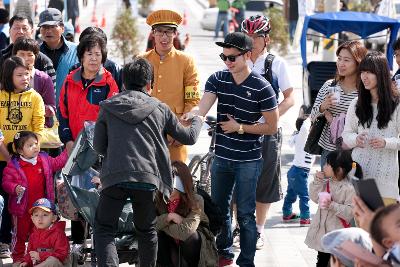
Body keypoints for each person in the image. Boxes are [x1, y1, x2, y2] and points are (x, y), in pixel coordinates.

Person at [93, 57, 203, 267]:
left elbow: (98, 146)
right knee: (146, 230)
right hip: (147, 178)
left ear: (123, 83)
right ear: (149, 84)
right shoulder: (160, 108)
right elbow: (189, 137)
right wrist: (198, 119)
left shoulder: (107, 107)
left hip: (114, 176)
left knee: (105, 228)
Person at [182, 32, 279, 267]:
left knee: (245, 215)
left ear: (247, 55)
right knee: (219, 208)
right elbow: (203, 107)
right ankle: (224, 253)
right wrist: (191, 116)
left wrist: (241, 127)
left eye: (232, 57)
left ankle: (246, 262)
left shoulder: (262, 87)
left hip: (248, 160)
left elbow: (272, 127)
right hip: (222, 157)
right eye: (224, 57)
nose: (227, 62)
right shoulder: (218, 79)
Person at [240, 14, 296, 248]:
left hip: (266, 133)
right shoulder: (236, 60)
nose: (252, 41)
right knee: (237, 182)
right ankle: (240, 228)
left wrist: (270, 119)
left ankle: (259, 230)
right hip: (239, 131)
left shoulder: (276, 64)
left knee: (264, 183)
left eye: (257, 36)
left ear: (266, 39)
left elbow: (290, 98)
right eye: (248, 36)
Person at [58, 34, 118, 248]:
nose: (93, 58)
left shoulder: (109, 83)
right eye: (89, 54)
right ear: (81, 56)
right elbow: (62, 113)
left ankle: (99, 242)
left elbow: (113, 118)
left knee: (98, 194)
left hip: (101, 150)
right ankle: (78, 242)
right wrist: (67, 140)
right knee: (77, 194)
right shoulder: (70, 80)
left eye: (98, 54)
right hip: (76, 147)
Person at [141, 9, 200, 162]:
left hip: (175, 135)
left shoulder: (186, 61)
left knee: (176, 182)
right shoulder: (142, 60)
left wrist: (182, 130)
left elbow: (192, 99)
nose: (164, 37)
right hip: (146, 134)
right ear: (153, 33)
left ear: (175, 34)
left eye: (168, 32)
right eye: (159, 32)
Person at [0, 56, 45, 258]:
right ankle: (3, 241)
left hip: (25, 162)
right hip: (3, 160)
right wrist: (9, 158)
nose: (25, 77)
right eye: (19, 74)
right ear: (9, 76)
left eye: (27, 73)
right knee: (3, 202)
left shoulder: (35, 98)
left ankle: (23, 244)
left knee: (22, 203)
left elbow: (38, 129)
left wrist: (30, 153)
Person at [342, 51, 400, 205]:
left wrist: (386, 142)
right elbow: (346, 134)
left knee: (382, 229)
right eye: (362, 72)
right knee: (360, 228)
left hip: (385, 183)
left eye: (370, 72)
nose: (364, 76)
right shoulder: (356, 103)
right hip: (358, 179)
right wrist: (356, 139)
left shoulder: (397, 104)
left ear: (380, 74)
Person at [1, 131, 67, 264]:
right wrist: (14, 188)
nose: (35, 147)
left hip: (41, 209)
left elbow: (58, 162)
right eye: (30, 145)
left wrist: (68, 151)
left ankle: (34, 259)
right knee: (19, 236)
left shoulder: (45, 159)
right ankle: (18, 259)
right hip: (22, 210)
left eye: (36, 143)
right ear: (20, 150)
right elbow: (5, 182)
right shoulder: (14, 165)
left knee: (38, 235)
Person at [311, 40, 368, 168]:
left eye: (346, 60)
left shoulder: (365, 90)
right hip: (330, 151)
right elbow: (312, 116)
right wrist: (323, 106)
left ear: (358, 63)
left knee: (354, 188)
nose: (341, 64)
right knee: (328, 187)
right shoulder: (329, 85)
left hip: (356, 150)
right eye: (339, 59)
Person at [305, 150, 362, 267]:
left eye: (327, 164)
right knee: (321, 260)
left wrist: (332, 205)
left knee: (335, 263)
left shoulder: (349, 188)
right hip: (323, 233)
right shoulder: (326, 183)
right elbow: (315, 197)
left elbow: (350, 212)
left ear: (339, 170)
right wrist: (317, 181)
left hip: (337, 236)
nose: (324, 167)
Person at [155, 161, 218, 267]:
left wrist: (163, 224)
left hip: (192, 250)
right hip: (170, 245)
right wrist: (169, 217)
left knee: (191, 237)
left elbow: (185, 232)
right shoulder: (158, 199)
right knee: (157, 237)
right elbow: (150, 225)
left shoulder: (196, 199)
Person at [0, 14, 56, 87]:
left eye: (24, 28)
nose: (20, 31)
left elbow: (50, 92)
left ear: (32, 32)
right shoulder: (2, 56)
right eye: (16, 28)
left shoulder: (44, 61)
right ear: (9, 31)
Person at [12, 37, 56, 129]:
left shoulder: (44, 78)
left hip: (39, 130)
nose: (26, 58)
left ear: (35, 56)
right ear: (15, 55)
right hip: (12, 127)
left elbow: (52, 109)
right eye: (22, 54)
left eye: (30, 55)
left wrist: (31, 107)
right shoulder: (7, 76)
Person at [282, 105, 314, 226]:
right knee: (304, 196)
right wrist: (311, 117)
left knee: (291, 194)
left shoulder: (298, 137)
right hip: (300, 172)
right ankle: (305, 217)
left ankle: (287, 213)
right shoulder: (302, 136)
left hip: (294, 171)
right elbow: (305, 128)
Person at [38, 8, 79, 103]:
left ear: (62, 28)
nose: (48, 31)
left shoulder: (77, 51)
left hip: (70, 110)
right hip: (41, 111)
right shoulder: (34, 53)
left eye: (52, 26)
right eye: (44, 27)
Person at [20, 198, 70, 267]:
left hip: (57, 264)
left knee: (52, 261)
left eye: (45, 215)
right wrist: (26, 262)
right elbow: (30, 253)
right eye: (36, 215)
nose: (40, 218)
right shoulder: (33, 235)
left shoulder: (58, 233)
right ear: (32, 218)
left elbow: (62, 254)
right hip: (39, 263)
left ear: (54, 218)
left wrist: (40, 256)